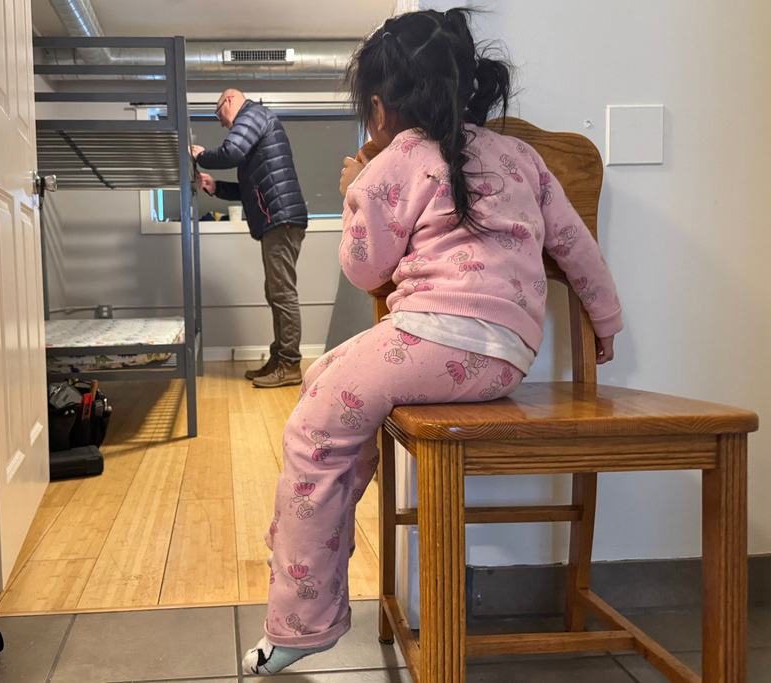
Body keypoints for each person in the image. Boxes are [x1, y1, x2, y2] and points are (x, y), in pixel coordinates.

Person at [242, 9, 623, 675]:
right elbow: (576, 248)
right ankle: (315, 542)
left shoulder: (396, 161)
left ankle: (303, 618)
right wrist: (607, 322)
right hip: (507, 356)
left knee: (314, 425)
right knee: (332, 394)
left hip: (434, 341)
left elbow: (367, 270)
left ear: (380, 109)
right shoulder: (521, 157)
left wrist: (357, 193)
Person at [192, 90, 309, 388]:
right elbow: (248, 191)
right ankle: (279, 358)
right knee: (276, 293)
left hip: (279, 219)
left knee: (282, 294)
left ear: (230, 100)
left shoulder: (252, 115)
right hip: (277, 218)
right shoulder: (255, 125)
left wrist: (200, 155)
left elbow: (230, 152)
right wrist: (214, 186)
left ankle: (290, 365)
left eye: (219, 115)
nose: (221, 124)